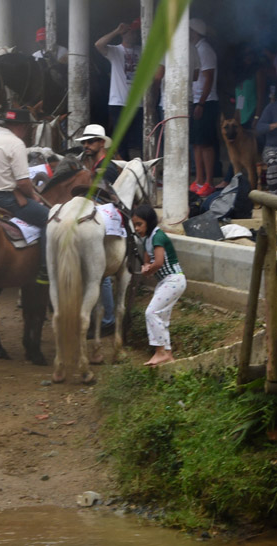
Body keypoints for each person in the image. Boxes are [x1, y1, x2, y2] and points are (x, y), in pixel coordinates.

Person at [0, 108, 50, 232]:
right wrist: (33, 196)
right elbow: (23, 182)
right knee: (48, 219)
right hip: (3, 200)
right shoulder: (16, 143)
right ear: (23, 126)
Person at [76, 123, 121, 336]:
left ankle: (107, 319)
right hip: (96, 219)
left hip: (106, 222)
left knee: (100, 274)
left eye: (90, 141)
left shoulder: (107, 168)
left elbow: (108, 198)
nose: (86, 145)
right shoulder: (94, 166)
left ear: (101, 143)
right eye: (85, 142)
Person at [132, 203, 185, 367]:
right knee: (161, 317)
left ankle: (160, 351)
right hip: (167, 282)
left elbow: (159, 262)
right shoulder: (148, 239)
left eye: (139, 224)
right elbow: (147, 261)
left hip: (173, 280)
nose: (137, 228)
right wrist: (146, 267)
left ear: (149, 222)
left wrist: (149, 269)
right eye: (134, 225)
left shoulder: (158, 237)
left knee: (151, 312)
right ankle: (167, 354)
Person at [94, 19, 142, 159]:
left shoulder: (142, 50)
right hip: (119, 102)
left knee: (138, 140)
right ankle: (123, 168)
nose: (135, 35)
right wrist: (116, 31)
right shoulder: (115, 51)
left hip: (139, 104)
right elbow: (98, 44)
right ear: (124, 34)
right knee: (121, 140)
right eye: (132, 32)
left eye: (136, 33)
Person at [189, 18, 220, 197]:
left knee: (206, 143)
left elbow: (208, 77)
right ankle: (199, 180)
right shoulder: (195, 49)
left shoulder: (205, 49)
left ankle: (209, 181)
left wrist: (201, 102)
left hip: (206, 102)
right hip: (197, 101)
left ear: (195, 32)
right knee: (197, 142)